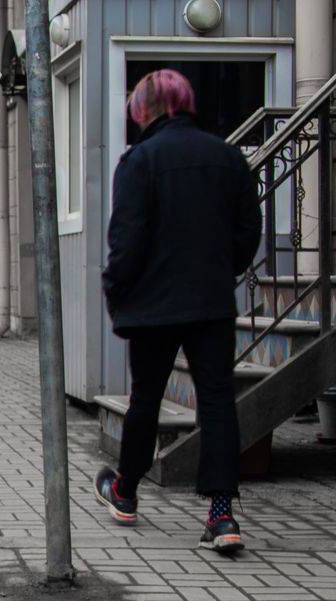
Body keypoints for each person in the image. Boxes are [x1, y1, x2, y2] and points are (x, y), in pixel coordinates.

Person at [95, 68, 260, 554]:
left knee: (146, 398)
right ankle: (222, 515)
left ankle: (126, 492)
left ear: (142, 110)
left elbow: (127, 238)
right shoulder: (228, 157)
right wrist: (222, 270)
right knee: (217, 401)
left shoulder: (139, 160)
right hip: (210, 302)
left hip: (154, 305)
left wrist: (116, 287)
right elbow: (248, 232)